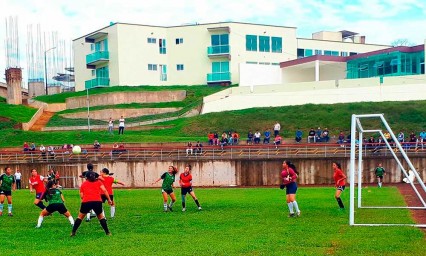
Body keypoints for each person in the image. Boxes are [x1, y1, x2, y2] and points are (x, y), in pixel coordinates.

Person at [71, 171, 112, 237]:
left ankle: (73, 232)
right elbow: (104, 190)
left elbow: (81, 196)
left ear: (86, 177)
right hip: (97, 202)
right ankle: (107, 232)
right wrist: (109, 199)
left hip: (86, 201)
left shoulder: (83, 184)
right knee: (101, 217)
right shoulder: (99, 182)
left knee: (80, 217)